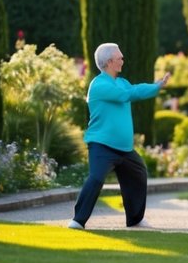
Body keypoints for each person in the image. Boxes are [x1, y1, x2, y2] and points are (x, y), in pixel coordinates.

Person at [69, 42, 171, 229]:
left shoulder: (121, 82)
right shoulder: (99, 85)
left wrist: (157, 86)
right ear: (109, 62)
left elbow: (133, 89)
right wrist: (156, 86)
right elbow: (129, 94)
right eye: (120, 58)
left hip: (124, 149)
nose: (123, 60)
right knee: (97, 178)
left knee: (139, 173)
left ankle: (135, 219)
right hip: (102, 145)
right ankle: (77, 220)